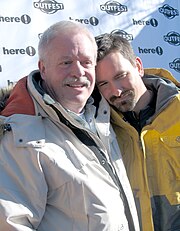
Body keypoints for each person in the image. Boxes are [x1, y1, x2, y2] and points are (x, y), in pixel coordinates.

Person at [0, 21, 140, 231]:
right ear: (43, 68)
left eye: (86, 62)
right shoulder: (23, 136)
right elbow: (13, 224)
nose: (78, 72)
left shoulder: (104, 116)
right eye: (66, 62)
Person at [95, 33, 180, 231]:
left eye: (120, 76)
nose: (116, 91)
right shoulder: (98, 130)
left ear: (138, 66)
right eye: (104, 84)